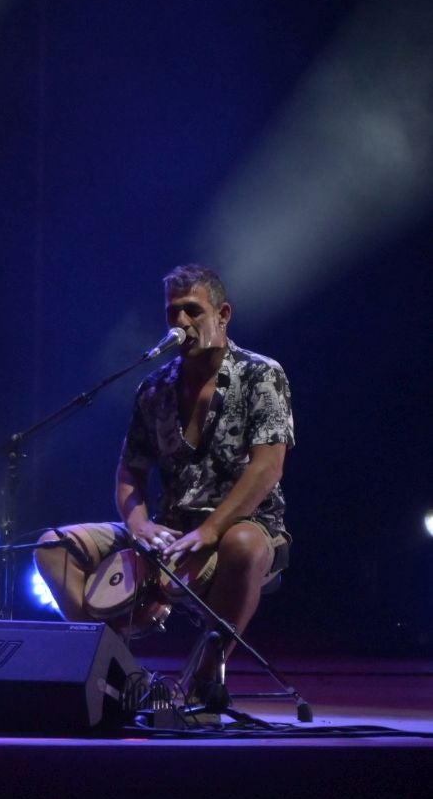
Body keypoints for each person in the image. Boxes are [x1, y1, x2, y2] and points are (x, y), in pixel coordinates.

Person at [34, 263, 294, 686]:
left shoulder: (261, 375)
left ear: (223, 315)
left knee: (243, 544)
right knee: (51, 548)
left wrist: (210, 530)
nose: (181, 322)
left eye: (193, 311)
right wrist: (138, 524)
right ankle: (117, 675)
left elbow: (268, 466)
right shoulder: (155, 388)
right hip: (168, 532)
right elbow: (129, 470)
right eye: (172, 313)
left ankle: (202, 682)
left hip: (241, 528)